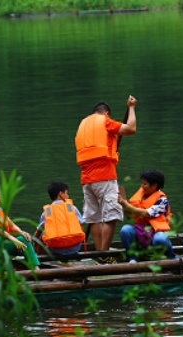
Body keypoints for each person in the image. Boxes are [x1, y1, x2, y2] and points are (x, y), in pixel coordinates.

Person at [74, 95, 137, 263]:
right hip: (105, 177)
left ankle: (98, 255)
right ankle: (104, 253)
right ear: (106, 113)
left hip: (87, 180)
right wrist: (131, 107)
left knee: (93, 217)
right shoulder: (105, 121)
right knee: (111, 215)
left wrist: (113, 151)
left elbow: (100, 146)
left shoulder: (83, 125)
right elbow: (131, 128)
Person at [118, 169, 176, 263]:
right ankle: (132, 258)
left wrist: (127, 205)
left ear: (154, 185)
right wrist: (125, 208)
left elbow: (145, 213)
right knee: (125, 230)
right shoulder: (139, 197)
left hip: (155, 232)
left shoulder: (162, 200)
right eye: (142, 183)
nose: (142, 186)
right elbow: (130, 217)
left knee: (160, 239)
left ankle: (173, 259)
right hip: (140, 231)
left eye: (144, 184)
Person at [33, 182, 85, 256]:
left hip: (55, 248)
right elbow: (81, 227)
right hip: (75, 247)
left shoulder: (47, 212)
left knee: (41, 233)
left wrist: (35, 243)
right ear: (61, 194)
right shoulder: (72, 208)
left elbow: (37, 233)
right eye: (66, 193)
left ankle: (38, 258)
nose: (68, 196)